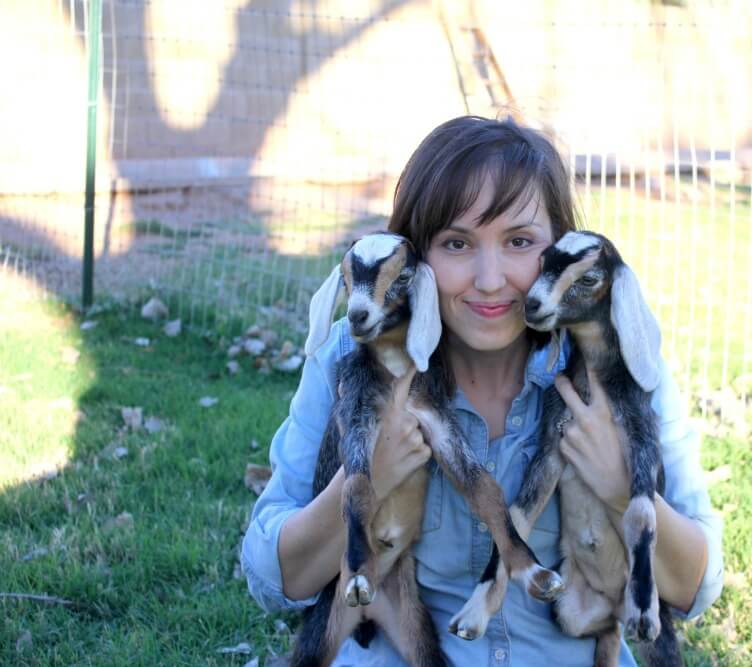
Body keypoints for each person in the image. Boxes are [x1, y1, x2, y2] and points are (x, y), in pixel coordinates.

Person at [241, 115, 723, 666]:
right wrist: (365, 477)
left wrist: (622, 487)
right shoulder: (348, 359)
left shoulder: (621, 368)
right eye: (456, 243)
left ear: (559, 248)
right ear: (414, 258)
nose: (490, 279)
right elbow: (272, 577)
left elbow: (695, 589)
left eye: (520, 241)